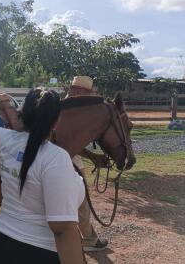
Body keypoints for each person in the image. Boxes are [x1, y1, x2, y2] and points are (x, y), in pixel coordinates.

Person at [0, 87, 86, 264]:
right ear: (56, 121)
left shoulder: (6, 140)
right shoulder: (55, 158)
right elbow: (63, 229)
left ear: (22, 115)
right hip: (38, 252)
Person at [67, 76, 109, 252]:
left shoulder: (69, 108)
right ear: (80, 92)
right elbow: (71, 143)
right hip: (70, 162)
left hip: (69, 160)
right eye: (86, 93)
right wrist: (93, 156)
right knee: (81, 201)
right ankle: (89, 240)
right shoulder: (69, 111)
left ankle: (86, 236)